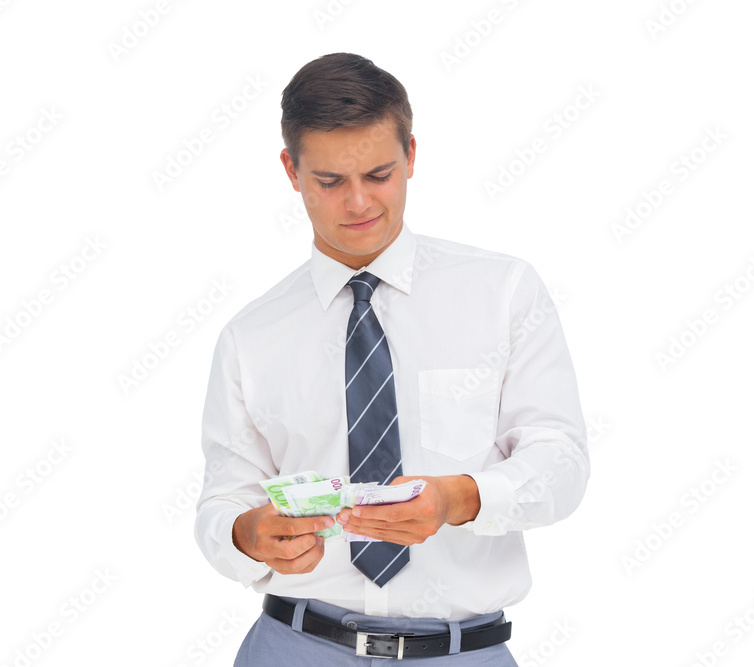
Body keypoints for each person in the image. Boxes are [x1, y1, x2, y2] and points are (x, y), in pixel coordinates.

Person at [194, 52, 590, 665]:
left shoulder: (503, 292)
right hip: (295, 646)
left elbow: (561, 464)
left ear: (411, 156)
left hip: (463, 651)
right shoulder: (250, 336)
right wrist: (246, 536)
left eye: (379, 173)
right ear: (290, 171)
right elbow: (224, 501)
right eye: (329, 181)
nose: (357, 203)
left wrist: (459, 498)